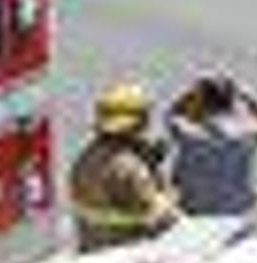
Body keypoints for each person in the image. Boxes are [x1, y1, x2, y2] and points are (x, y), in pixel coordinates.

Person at [67, 82, 179, 251]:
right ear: (138, 122)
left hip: (92, 247)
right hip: (126, 251)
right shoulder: (130, 167)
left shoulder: (86, 157)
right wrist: (171, 195)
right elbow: (159, 217)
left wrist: (147, 158)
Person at [167, 74, 257, 219]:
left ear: (201, 102)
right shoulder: (246, 133)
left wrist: (190, 94)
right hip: (232, 208)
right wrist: (246, 96)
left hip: (191, 207)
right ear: (231, 103)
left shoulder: (189, 132)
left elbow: (172, 113)